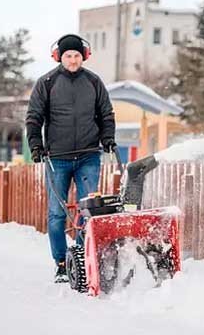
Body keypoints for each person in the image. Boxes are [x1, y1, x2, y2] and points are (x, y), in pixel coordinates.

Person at [25, 34, 116, 283]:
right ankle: (62, 263)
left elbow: (106, 115)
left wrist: (108, 138)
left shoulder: (94, 82)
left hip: (89, 155)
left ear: (84, 56)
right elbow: (34, 118)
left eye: (77, 55)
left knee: (89, 211)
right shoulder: (47, 82)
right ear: (59, 57)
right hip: (58, 158)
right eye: (68, 56)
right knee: (56, 213)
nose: (73, 60)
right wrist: (36, 145)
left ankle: (80, 256)